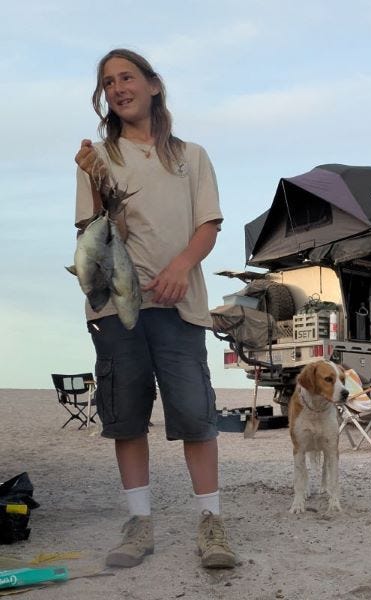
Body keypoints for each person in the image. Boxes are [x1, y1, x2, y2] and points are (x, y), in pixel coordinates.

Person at [74, 48, 235, 570]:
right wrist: (96, 184)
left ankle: (211, 523)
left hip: (180, 304)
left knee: (195, 415)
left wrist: (178, 268)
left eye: (128, 77)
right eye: (109, 83)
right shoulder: (98, 156)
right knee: (126, 419)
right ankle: (139, 523)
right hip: (117, 308)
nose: (119, 88)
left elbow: (207, 224)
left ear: (153, 85)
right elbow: (94, 235)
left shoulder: (191, 155)